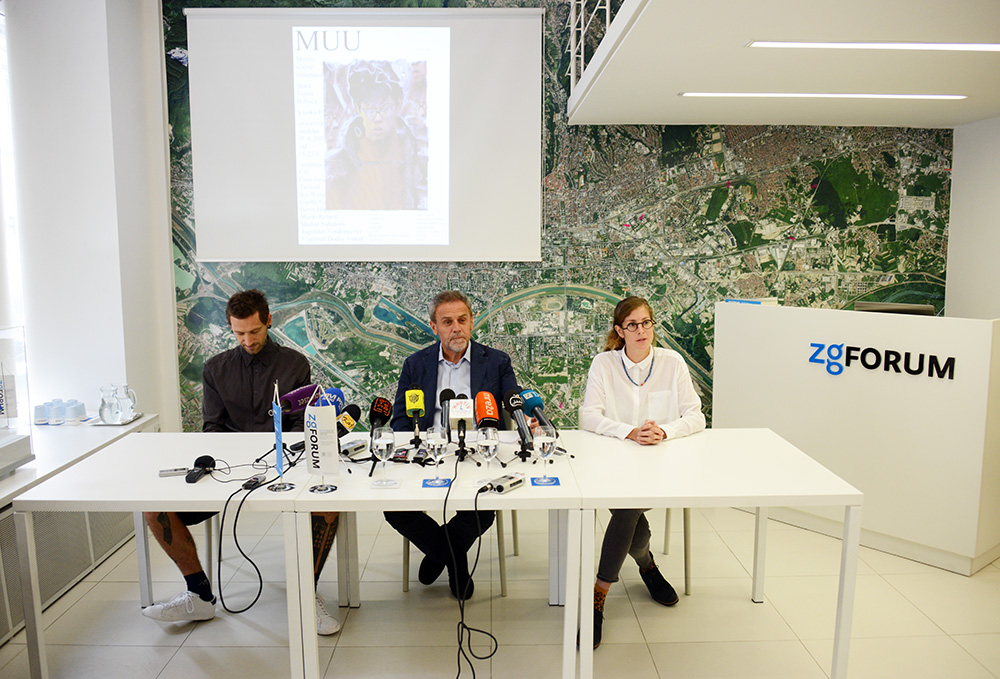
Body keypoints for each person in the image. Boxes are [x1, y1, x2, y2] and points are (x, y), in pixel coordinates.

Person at [142, 289, 342, 635]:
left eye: (254, 331)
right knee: (154, 508)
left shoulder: (295, 364)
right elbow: (212, 428)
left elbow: (299, 427)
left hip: (286, 468)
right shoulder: (215, 369)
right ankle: (199, 595)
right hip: (230, 471)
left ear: (269, 321)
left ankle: (306, 594)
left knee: (329, 506)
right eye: (239, 333)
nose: (248, 341)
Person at [579, 296, 706, 648]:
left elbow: (695, 416)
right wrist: (629, 432)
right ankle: (647, 566)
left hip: (660, 467)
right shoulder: (604, 363)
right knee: (630, 515)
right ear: (620, 331)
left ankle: (598, 596)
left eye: (646, 323)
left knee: (626, 510)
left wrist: (664, 430)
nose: (641, 331)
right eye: (632, 325)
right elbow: (588, 416)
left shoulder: (671, 362)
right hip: (614, 465)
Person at [385, 290, 521, 599]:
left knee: (482, 509)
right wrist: (409, 451)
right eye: (447, 322)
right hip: (429, 451)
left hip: (480, 452)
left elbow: (512, 400)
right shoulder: (415, 363)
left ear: (472, 322)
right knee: (395, 509)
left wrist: (526, 417)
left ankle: (439, 555)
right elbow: (401, 419)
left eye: (462, 320)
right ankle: (455, 561)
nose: (456, 328)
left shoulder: (497, 361)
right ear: (434, 327)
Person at [325, 59, 428, 211]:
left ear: (398, 105)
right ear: (357, 108)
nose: (378, 118)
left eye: (384, 108)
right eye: (370, 109)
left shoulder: (421, 168)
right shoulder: (334, 170)